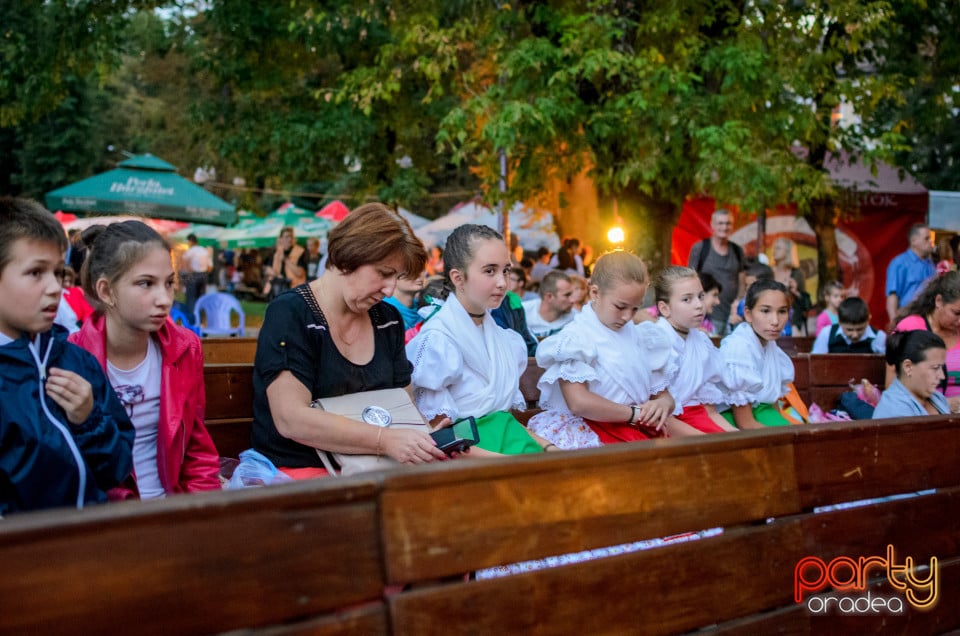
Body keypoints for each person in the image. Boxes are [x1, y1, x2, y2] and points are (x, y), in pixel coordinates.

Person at [252, 203, 448, 477]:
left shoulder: (388, 319)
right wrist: (384, 440)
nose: (390, 289)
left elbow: (402, 407)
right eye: (383, 273)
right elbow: (290, 419)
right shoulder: (290, 313)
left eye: (397, 277)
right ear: (348, 257)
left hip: (375, 469)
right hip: (300, 469)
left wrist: (423, 436)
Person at [0, 197, 134, 514]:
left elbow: (116, 470)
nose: (54, 288)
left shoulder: (76, 361)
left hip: (88, 543)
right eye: (35, 273)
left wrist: (89, 420)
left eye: (59, 273)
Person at [71, 221, 221, 498]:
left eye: (169, 283)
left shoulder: (184, 348)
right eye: (146, 284)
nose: (164, 299)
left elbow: (197, 451)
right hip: (104, 520)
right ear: (106, 291)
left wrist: (206, 515)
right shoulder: (73, 358)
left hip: (171, 510)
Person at [406, 224, 554, 455]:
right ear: (458, 277)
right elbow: (444, 439)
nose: (503, 282)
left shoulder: (505, 340)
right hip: (473, 462)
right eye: (489, 271)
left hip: (513, 447)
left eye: (505, 270)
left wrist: (548, 446)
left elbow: (505, 422)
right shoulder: (439, 342)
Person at [528, 252, 697, 449]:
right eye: (620, 306)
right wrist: (634, 414)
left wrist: (662, 405)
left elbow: (663, 394)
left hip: (634, 426)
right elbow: (578, 402)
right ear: (595, 293)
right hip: (588, 428)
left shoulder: (643, 337)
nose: (627, 317)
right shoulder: (576, 339)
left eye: (635, 309)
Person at [647, 266, 738, 433]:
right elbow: (662, 416)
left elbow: (709, 410)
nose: (699, 305)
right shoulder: (655, 342)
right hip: (666, 424)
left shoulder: (701, 342)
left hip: (698, 416)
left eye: (701, 296)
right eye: (687, 299)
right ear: (664, 308)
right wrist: (703, 440)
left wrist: (734, 435)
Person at [718, 279, 799, 428]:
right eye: (765, 311)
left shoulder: (771, 347)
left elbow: (772, 403)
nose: (775, 321)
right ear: (748, 314)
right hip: (734, 420)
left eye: (782, 311)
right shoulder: (738, 349)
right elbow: (745, 424)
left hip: (763, 414)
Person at [889, 270, 960, 412]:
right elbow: (893, 388)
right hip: (923, 418)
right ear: (939, 301)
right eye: (956, 313)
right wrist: (943, 405)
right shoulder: (911, 328)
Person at [688, 208, 745, 336]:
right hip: (708, 315)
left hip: (732, 315)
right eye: (720, 223)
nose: (724, 227)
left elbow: (742, 281)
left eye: (728, 223)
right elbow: (689, 280)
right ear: (712, 225)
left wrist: (738, 302)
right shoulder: (701, 248)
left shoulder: (737, 250)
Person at [874, 330, 949, 418]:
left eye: (942, 367)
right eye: (935, 368)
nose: (942, 376)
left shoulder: (937, 398)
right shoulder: (894, 410)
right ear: (908, 367)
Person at [886, 223, 935, 328]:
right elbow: (892, 295)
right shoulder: (899, 263)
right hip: (907, 317)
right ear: (914, 241)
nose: (930, 242)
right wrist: (894, 321)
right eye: (926, 238)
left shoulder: (930, 263)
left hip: (928, 319)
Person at [811, 297, 886, 354]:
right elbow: (816, 361)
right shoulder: (827, 334)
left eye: (860, 329)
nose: (855, 335)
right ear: (839, 321)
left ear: (868, 320)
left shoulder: (878, 337)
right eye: (849, 330)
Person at [491, 267, 538, 356]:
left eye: (511, 279)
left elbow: (525, 332)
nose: (507, 281)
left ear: (521, 283)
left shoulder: (516, 301)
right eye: (505, 277)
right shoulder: (502, 302)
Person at [771, 237, 811, 334]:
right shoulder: (768, 271)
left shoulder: (797, 273)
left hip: (793, 322)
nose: (774, 251)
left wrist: (795, 291)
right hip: (771, 321)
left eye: (778, 248)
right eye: (774, 248)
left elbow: (806, 303)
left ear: (787, 252)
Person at [523, 270, 577, 339]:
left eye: (571, 294)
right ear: (549, 296)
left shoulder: (575, 318)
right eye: (567, 295)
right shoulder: (522, 312)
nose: (573, 300)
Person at [263, 226, 307, 301]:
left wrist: (286, 260)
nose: (289, 239)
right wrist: (277, 275)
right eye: (286, 237)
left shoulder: (300, 252)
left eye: (291, 237)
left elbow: (300, 273)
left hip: (295, 291)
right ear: (280, 239)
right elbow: (267, 269)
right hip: (278, 289)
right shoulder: (277, 253)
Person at [181, 233, 211, 314]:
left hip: (193, 275)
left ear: (190, 241)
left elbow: (185, 264)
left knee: (191, 298)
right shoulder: (204, 250)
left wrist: (188, 274)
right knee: (201, 297)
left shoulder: (190, 251)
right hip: (204, 275)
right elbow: (210, 267)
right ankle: (200, 318)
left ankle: (191, 319)